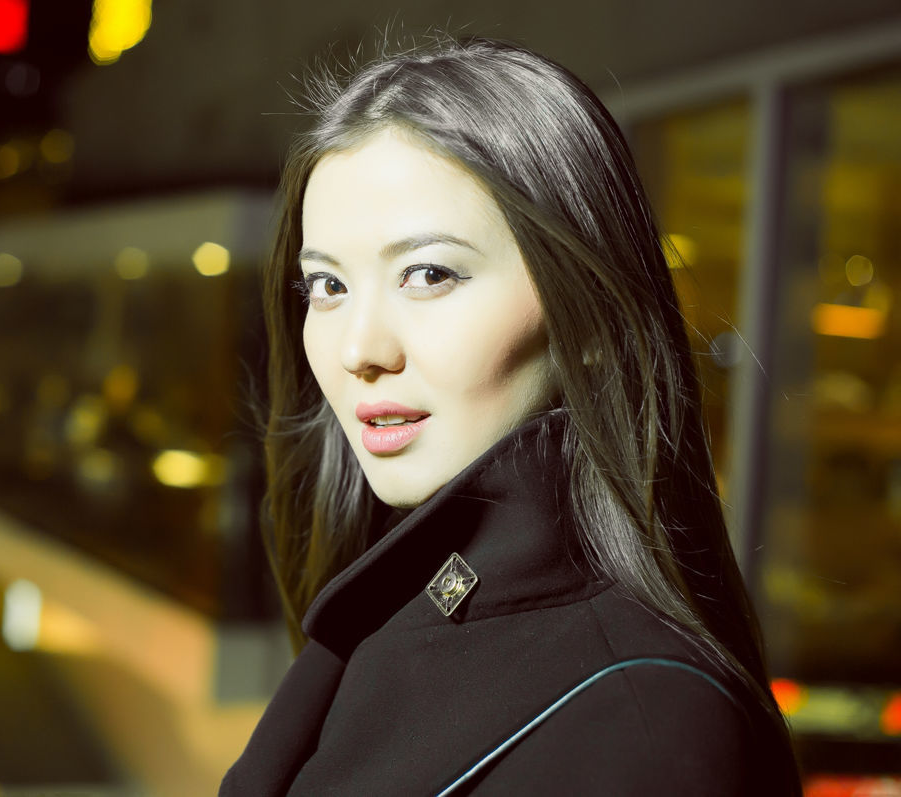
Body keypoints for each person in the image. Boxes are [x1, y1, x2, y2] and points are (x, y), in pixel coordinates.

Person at [220, 37, 801, 795]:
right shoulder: (398, 600)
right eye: (327, 286)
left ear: (588, 320)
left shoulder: (647, 726)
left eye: (428, 273)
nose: (357, 348)